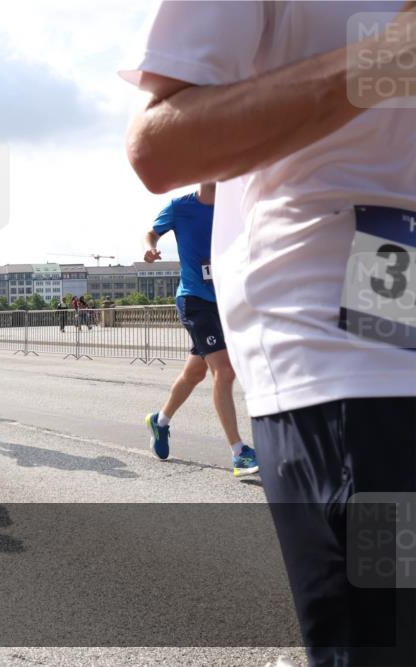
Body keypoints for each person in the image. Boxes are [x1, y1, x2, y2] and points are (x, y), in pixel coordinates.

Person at [124, 3, 416, 664]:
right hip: (345, 317)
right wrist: (393, 51)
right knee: (388, 630)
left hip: (388, 286)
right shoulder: (182, 207)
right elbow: (160, 147)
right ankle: (228, 444)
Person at [142, 183, 257, 476]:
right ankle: (239, 452)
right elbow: (151, 232)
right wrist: (150, 248)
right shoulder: (180, 206)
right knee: (225, 371)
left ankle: (160, 421)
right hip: (193, 299)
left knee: (195, 373)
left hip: (225, 300)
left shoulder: (235, 209)